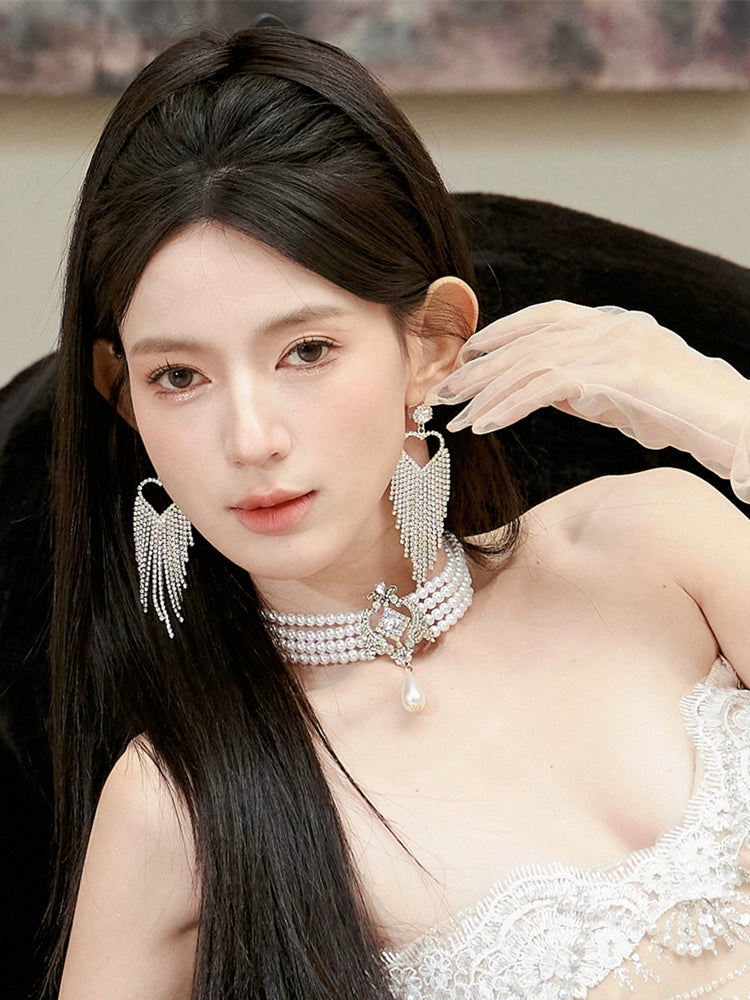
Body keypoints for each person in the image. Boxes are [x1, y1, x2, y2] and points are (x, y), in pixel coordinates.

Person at [46, 23, 750, 1000]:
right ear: (128, 399)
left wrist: (734, 420)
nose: (250, 438)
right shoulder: (179, 807)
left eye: (305, 352)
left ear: (431, 342)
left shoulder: (658, 543)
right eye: (179, 375)